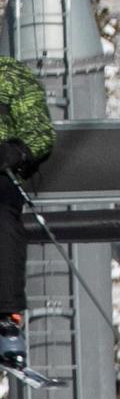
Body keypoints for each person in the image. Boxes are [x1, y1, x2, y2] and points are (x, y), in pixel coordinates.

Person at [0, 56, 56, 372]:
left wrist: (16, 151)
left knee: (1, 209)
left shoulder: (8, 75)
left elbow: (38, 128)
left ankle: (6, 319)